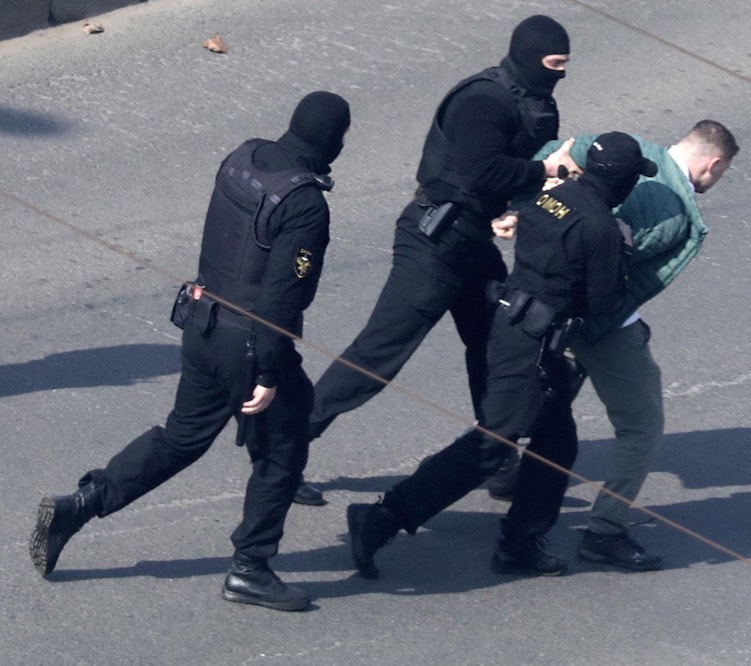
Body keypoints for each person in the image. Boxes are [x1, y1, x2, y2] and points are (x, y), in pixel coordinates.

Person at [28, 91, 352, 611]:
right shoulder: (305, 203)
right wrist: (269, 371)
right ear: (333, 142)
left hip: (201, 322)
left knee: (181, 438)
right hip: (249, 342)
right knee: (284, 444)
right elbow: (281, 298)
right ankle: (250, 567)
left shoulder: (244, 156)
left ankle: (82, 503)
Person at [293, 15, 580, 506]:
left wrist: (509, 211)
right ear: (531, 57)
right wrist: (544, 170)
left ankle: (496, 454)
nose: (559, 75)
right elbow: (480, 167)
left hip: (473, 242)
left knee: (497, 348)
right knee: (378, 356)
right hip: (434, 243)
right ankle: (287, 448)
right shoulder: (484, 101)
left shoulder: (534, 104)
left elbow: (495, 180)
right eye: (553, 65)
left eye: (564, 67)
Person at [345, 132, 657, 579]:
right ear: (622, 183)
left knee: (556, 443)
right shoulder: (602, 230)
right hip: (534, 341)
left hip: (511, 322)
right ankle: (382, 518)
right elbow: (605, 301)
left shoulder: (558, 196)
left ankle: (521, 542)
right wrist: (623, 254)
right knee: (492, 445)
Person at [489, 120, 739, 570]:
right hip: (601, 325)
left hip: (542, 306)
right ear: (714, 163)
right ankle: (605, 531)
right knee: (640, 425)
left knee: (539, 408)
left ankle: (496, 468)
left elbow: (555, 154)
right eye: (719, 175)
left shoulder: (626, 148)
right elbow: (608, 278)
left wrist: (521, 209)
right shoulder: (676, 212)